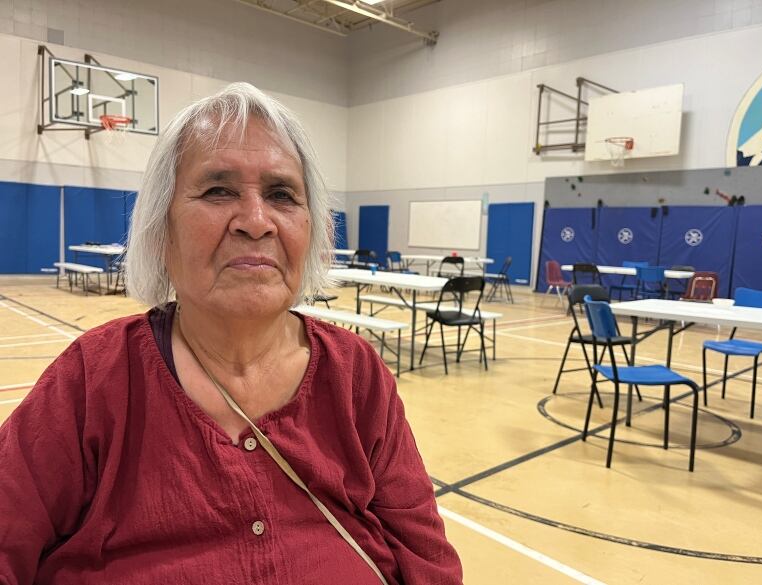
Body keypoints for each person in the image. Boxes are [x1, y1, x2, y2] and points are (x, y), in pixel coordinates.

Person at [0, 82, 463, 584]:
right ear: (161, 230)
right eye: (219, 190)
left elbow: (427, 561)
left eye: (282, 194)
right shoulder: (95, 379)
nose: (256, 221)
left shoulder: (356, 375)